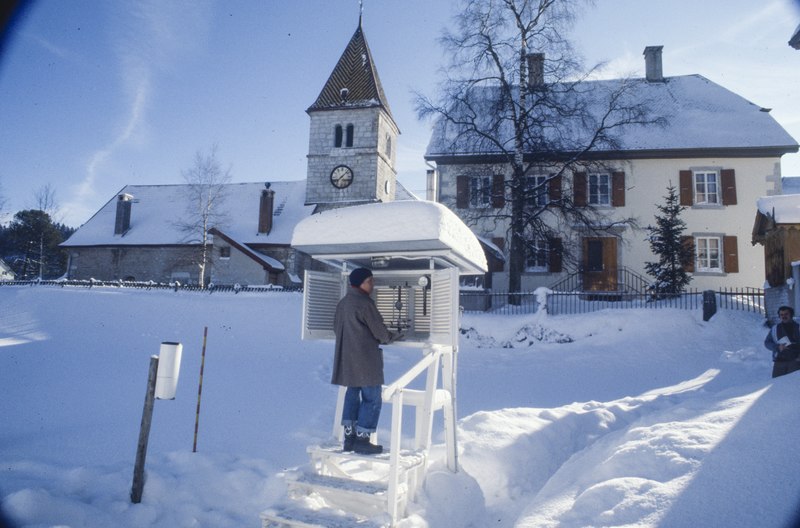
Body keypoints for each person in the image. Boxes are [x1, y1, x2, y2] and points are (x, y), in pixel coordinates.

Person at [332, 267, 401, 455]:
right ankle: (363, 440)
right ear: (360, 283)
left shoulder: (343, 303)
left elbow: (335, 328)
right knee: (371, 398)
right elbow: (381, 334)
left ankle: (350, 439)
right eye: (370, 281)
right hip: (365, 359)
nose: (373, 284)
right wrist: (395, 335)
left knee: (352, 397)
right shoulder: (365, 304)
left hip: (347, 359)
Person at [764, 305, 800, 378]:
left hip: (795, 361)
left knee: (791, 384)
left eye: (786, 314)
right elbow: (767, 342)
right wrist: (777, 347)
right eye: (781, 315)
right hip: (779, 362)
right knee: (777, 385)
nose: (784, 316)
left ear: (791, 315)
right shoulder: (775, 329)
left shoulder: (798, 327)